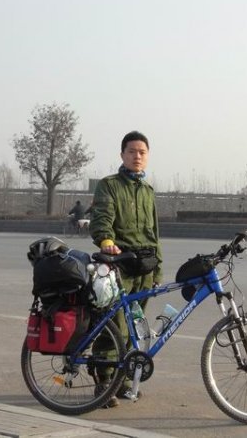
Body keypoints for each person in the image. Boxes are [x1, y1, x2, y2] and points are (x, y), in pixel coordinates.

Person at [89, 131, 162, 407]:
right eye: (132, 151)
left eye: (142, 152)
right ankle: (104, 381)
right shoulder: (109, 185)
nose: (137, 156)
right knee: (116, 325)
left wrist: (157, 270)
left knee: (135, 327)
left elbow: (155, 233)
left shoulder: (148, 191)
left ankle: (120, 380)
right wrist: (106, 241)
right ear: (122, 155)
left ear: (148, 156)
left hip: (145, 268)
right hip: (120, 267)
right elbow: (101, 218)